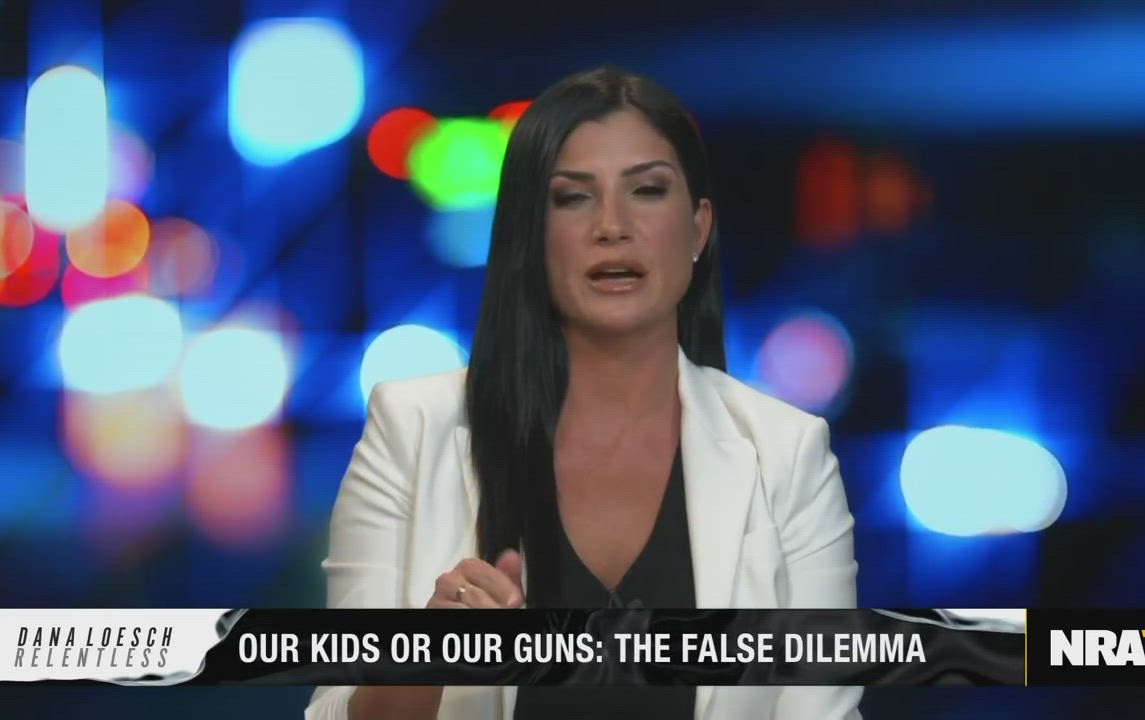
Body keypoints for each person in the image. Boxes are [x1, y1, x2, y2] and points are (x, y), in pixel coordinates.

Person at [306, 66, 861, 719]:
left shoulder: (788, 453)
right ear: (529, 236)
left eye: (647, 191)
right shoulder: (412, 428)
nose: (612, 226)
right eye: (573, 198)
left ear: (698, 229)